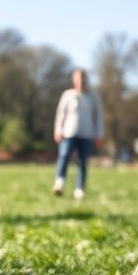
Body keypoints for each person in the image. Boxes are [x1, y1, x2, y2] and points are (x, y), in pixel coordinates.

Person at [52, 68, 104, 199]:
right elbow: (61, 113)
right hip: (69, 133)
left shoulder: (93, 96)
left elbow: (98, 116)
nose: (81, 81)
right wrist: (58, 129)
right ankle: (59, 182)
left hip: (86, 134)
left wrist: (99, 134)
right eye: (78, 78)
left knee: (82, 161)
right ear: (74, 80)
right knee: (64, 156)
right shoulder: (67, 95)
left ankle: (79, 189)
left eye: (83, 78)